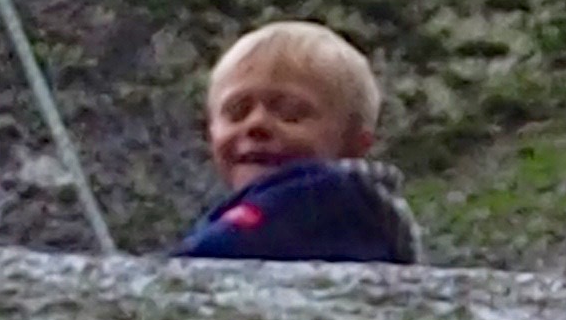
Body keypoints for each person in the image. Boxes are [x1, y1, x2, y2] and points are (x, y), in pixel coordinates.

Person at [177, 19, 422, 266]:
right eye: (237, 112)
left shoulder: (330, 197)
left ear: (354, 144)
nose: (256, 124)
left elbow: (212, 255)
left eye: (290, 112)